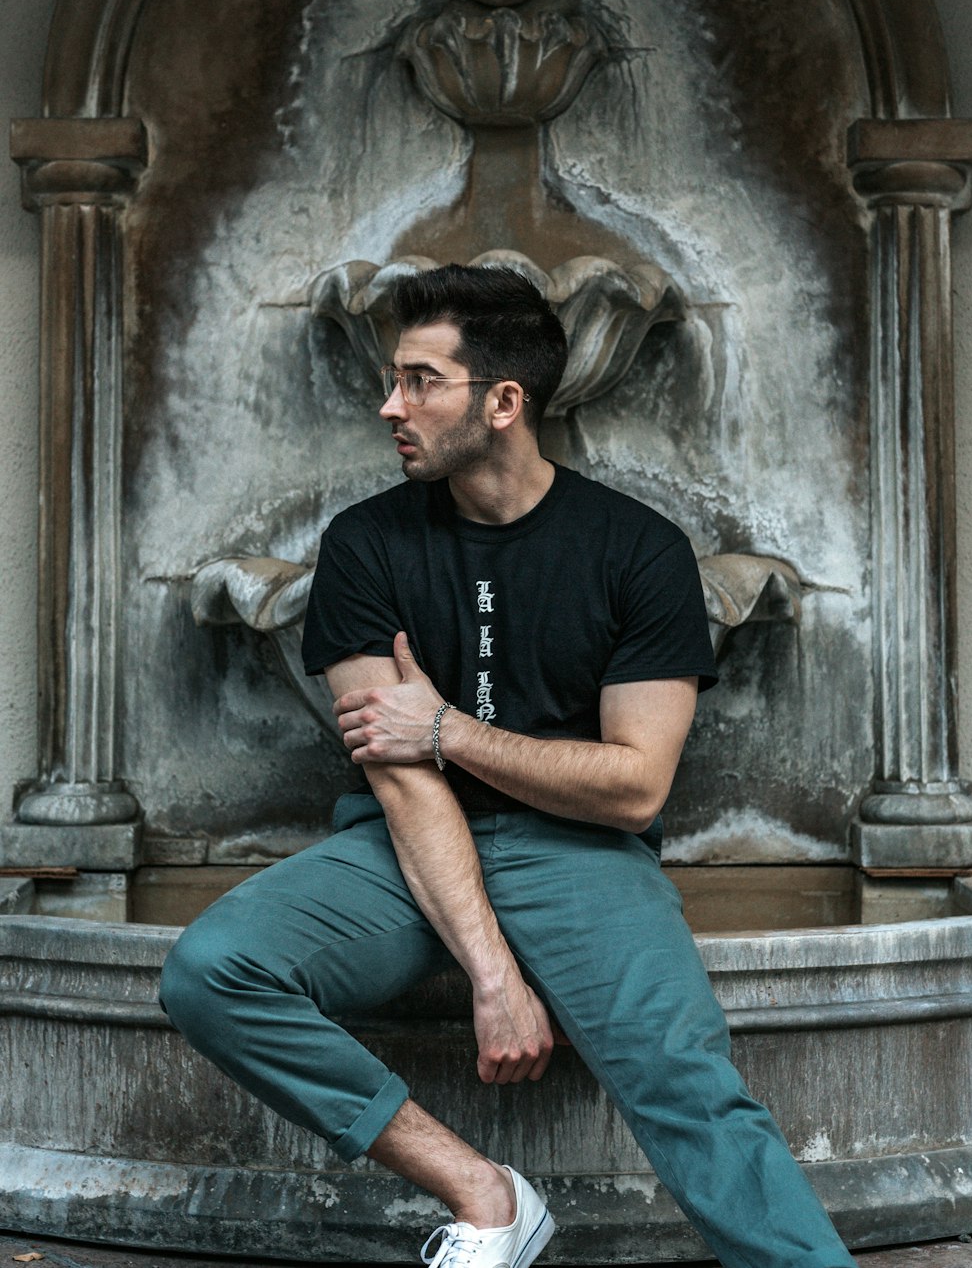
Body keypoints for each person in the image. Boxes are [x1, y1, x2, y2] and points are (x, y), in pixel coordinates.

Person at [160, 264, 855, 1268]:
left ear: (501, 401)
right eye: (393, 379)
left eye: (419, 380)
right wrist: (493, 970)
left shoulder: (638, 550)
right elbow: (398, 775)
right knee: (208, 972)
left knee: (685, 1077)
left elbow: (634, 783)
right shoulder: (364, 544)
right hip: (402, 848)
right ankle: (484, 1192)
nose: (388, 403)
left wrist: (448, 726)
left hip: (581, 852)